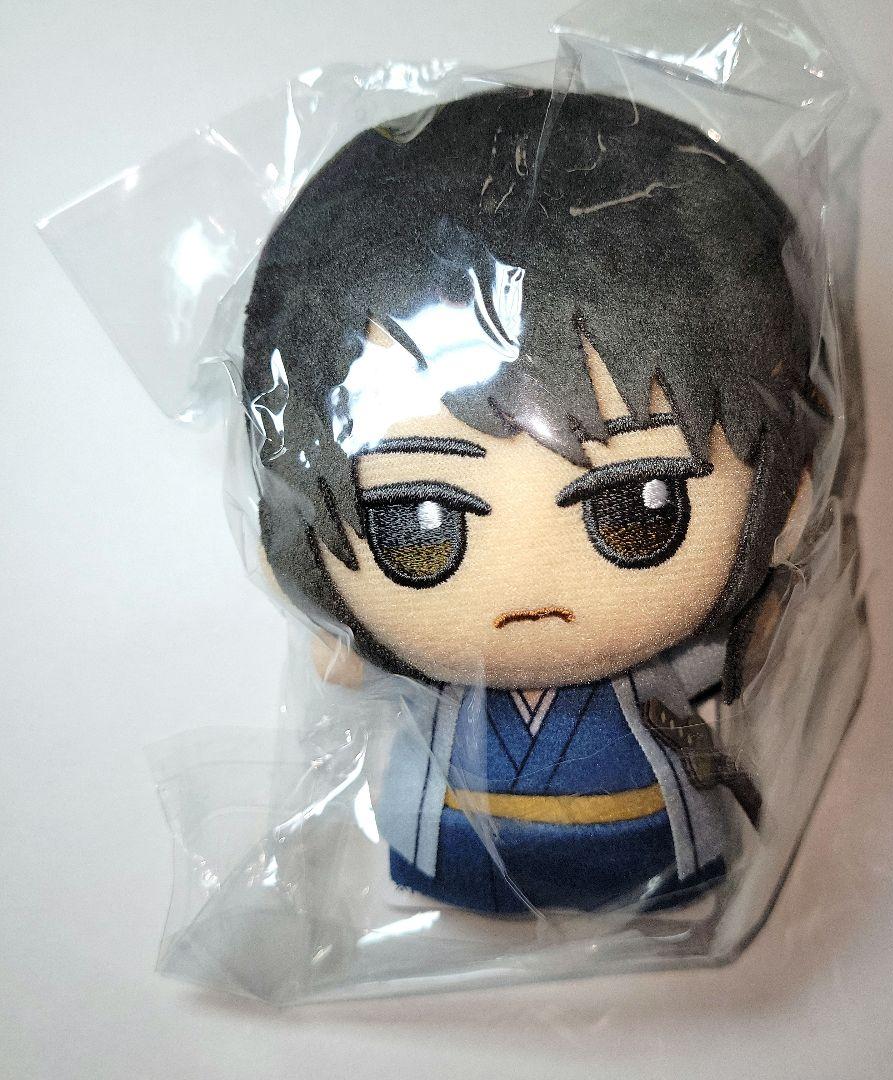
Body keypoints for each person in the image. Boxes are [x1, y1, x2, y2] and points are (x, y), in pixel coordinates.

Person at [243, 87, 819, 913]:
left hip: (649, 847)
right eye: (420, 529)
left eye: (639, 512)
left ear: (782, 499)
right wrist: (344, 646)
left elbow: (719, 661)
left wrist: (757, 629)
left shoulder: (654, 664)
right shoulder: (436, 671)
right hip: (449, 850)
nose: (531, 590)